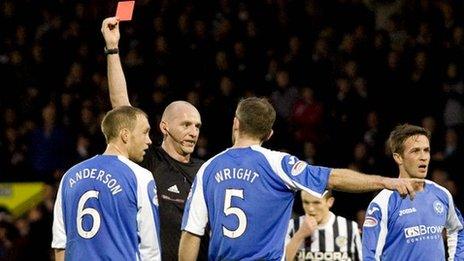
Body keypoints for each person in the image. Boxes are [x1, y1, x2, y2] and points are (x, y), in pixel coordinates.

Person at [179, 97, 423, 261]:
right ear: (269, 133)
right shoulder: (278, 164)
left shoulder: (208, 169)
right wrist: (385, 182)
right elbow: (334, 178)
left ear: (236, 123)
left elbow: (191, 234)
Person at [100, 17, 208, 259]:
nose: (194, 132)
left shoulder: (205, 172)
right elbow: (121, 109)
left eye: (198, 126)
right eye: (186, 124)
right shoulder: (150, 161)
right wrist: (113, 49)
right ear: (164, 127)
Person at [51, 106, 161, 260]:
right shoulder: (140, 177)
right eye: (145, 132)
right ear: (125, 135)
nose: (149, 140)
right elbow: (150, 249)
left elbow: (60, 245)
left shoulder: (69, 176)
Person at [362, 124, 464, 260]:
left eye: (426, 150)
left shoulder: (442, 194)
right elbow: (370, 255)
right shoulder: (383, 203)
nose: (424, 157)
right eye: (415, 151)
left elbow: (457, 229)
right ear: (398, 158)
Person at [285, 190, 362, 261]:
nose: (310, 208)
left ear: (330, 202)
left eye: (316, 203)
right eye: (306, 202)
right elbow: (281, 258)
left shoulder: (350, 228)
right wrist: (300, 235)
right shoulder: (292, 226)